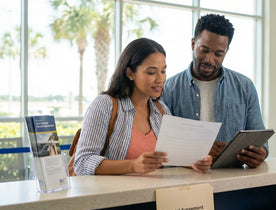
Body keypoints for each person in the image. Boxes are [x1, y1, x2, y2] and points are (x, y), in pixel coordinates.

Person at [74, 38, 213, 175]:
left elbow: (170, 159)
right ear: (130, 73)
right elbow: (83, 162)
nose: (160, 79)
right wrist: (133, 165)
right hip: (118, 196)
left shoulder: (162, 111)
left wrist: (193, 162)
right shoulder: (105, 105)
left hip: (158, 196)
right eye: (151, 72)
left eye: (163, 71)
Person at [162, 14, 268, 168]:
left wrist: (261, 152)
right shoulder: (169, 89)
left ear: (226, 51)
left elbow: (260, 137)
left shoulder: (245, 86)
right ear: (193, 44)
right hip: (185, 182)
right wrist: (198, 150)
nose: (209, 60)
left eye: (218, 54)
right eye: (204, 50)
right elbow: (162, 143)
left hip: (232, 181)